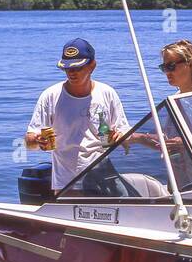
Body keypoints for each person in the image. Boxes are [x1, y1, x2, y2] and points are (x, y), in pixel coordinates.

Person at [25, 38, 129, 189]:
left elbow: (124, 133)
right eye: (67, 68)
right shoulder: (50, 95)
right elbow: (29, 141)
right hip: (67, 183)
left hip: (104, 176)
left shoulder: (107, 93)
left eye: (77, 68)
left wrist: (120, 137)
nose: (71, 73)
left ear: (92, 66)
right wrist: (37, 140)